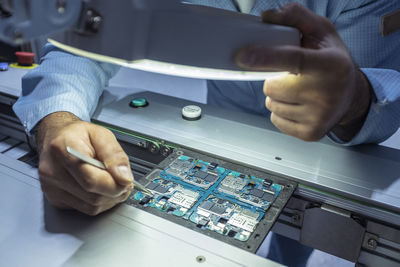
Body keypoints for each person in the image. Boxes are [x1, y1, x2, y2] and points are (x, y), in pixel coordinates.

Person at [13, 1, 400, 266]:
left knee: (297, 235)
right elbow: (81, 46)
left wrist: (352, 98)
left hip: (329, 150)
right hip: (222, 116)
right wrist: (58, 122)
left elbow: (387, 88)